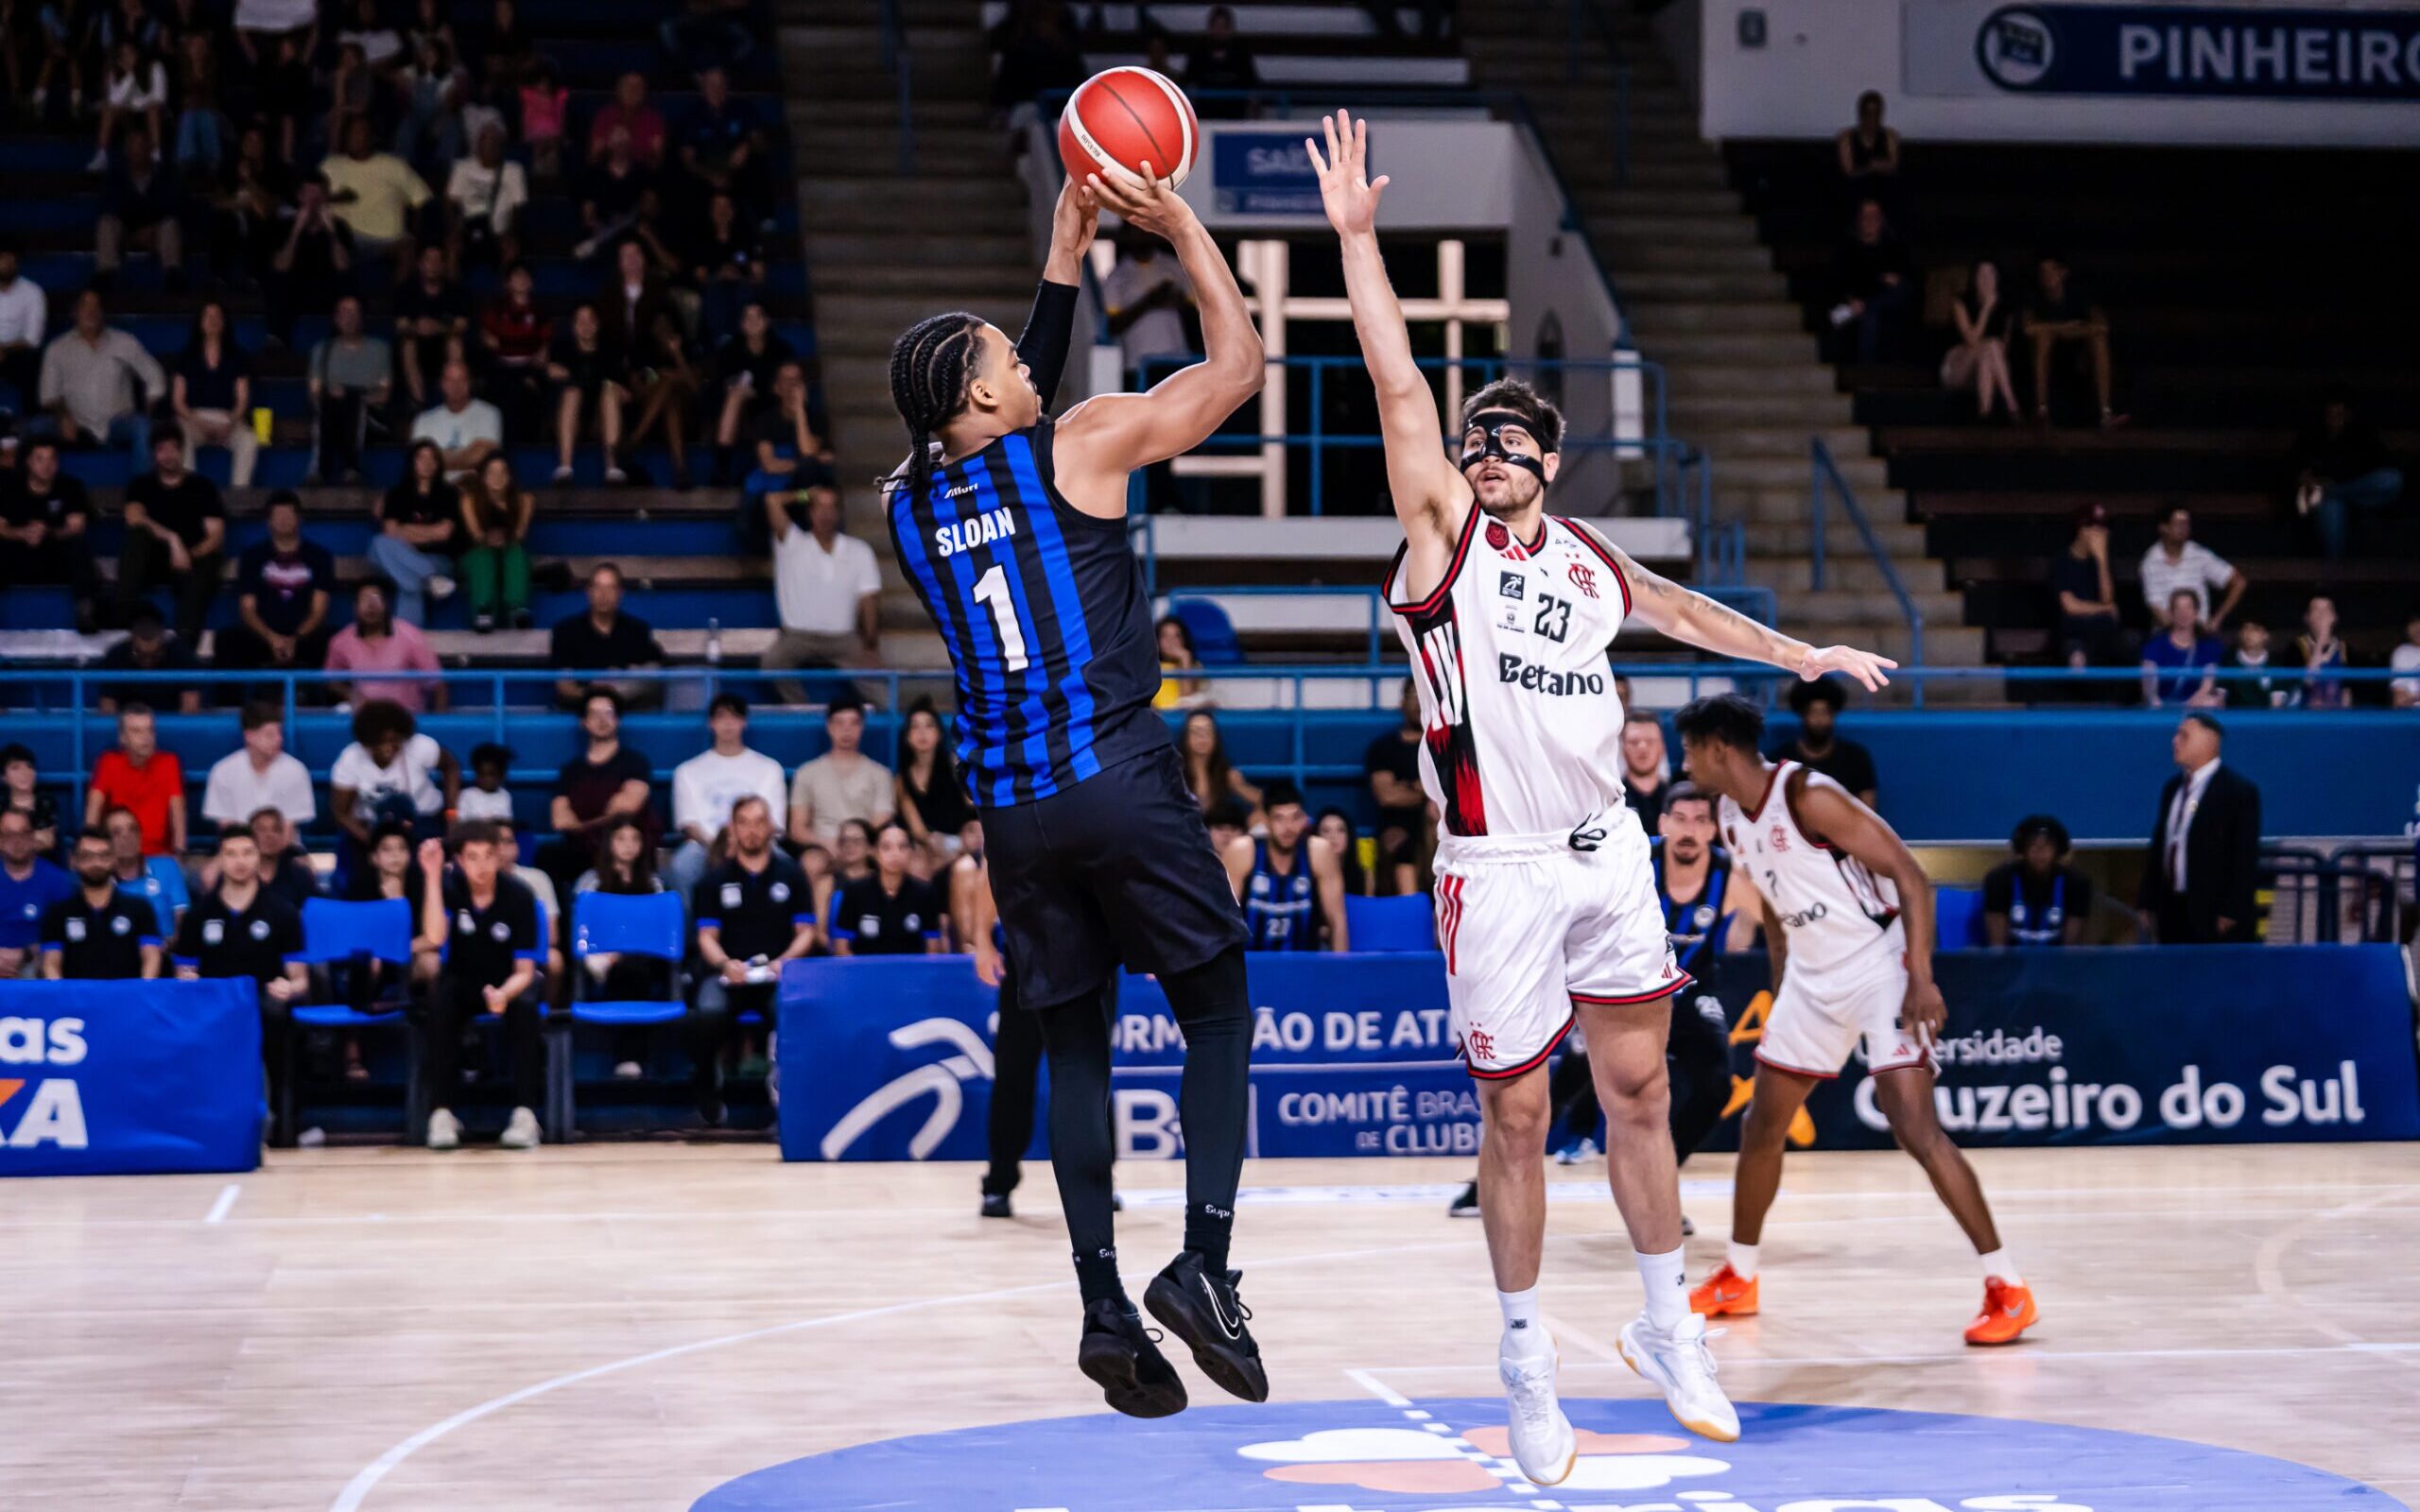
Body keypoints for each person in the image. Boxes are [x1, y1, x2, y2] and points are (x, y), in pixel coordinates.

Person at [1311, 110, 1895, 1459]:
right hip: (1495, 865)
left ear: (1553, 460)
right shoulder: (1441, 542)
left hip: (1605, 854)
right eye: (1479, 438)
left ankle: (1662, 1322)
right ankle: (1525, 1365)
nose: (1489, 449)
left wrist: (1801, 647)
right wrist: (1356, 247)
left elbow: (1685, 609)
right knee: (1515, 1116)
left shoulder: (1585, 562)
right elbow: (1400, 388)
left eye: (1514, 439)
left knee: (1643, 1094)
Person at [883, 167, 1267, 1419]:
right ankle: (1203, 1265)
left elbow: (993, 400)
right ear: (990, 393)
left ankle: (1103, 1303)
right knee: (1215, 1007)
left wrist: (1062, 250)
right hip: (1116, 772)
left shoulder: (907, 504)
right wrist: (1181, 231)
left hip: (1016, 814)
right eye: (1009, 354)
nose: (1030, 357)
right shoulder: (1089, 440)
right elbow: (1238, 368)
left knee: (1077, 1047)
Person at [1677, 694, 2037, 1348]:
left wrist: (1921, 977)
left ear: (1719, 749)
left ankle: (2007, 1286)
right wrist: (1784, 992)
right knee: (1762, 1126)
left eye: (1690, 748)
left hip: (1879, 965)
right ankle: (1740, 1274)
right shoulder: (1731, 819)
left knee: (1914, 1127)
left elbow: (1909, 874)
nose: (1686, 761)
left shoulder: (1810, 795)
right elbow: (1777, 904)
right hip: (1812, 983)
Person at [173, 825, 307, 1142]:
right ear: (220, 859)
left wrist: (290, 987)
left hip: (262, 1001)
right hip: (213, 1003)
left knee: (278, 1020)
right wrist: (189, 982)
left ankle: (278, 1124)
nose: (240, 861)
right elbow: (184, 972)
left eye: (247, 853)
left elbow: (300, 979)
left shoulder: (283, 913)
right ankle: (202, 1121)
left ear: (259, 858)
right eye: (231, 854)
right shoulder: (198, 916)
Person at [414, 825, 544, 1150]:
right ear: (458, 860)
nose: (482, 865)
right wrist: (431, 876)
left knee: (527, 1008)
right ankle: (442, 1113)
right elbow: (434, 938)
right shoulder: (448, 887)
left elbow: (526, 971)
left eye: (488, 856)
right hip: (463, 982)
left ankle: (525, 1114)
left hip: (508, 984)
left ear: (499, 857)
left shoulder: (520, 896)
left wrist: (503, 994)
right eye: (472, 857)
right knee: (440, 1002)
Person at [690, 795, 816, 1121]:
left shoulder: (792, 874)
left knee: (791, 1010)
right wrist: (724, 964)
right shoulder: (714, 881)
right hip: (728, 975)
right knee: (708, 1010)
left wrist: (783, 962)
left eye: (759, 822)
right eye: (744, 822)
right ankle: (708, 1090)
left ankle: (788, 1093)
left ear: (771, 827)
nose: (752, 830)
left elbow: (806, 932)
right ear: (732, 828)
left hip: (776, 975)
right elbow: (707, 937)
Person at [2135, 712, 2260, 945]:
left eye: (2184, 735)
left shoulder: (2238, 792)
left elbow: (2244, 856)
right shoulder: (2172, 788)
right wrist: (2147, 901)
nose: (2175, 741)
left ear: (2209, 741)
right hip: (2172, 911)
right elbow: (2160, 846)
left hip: (2213, 916)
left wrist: (2232, 910)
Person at [764, 484, 882, 696]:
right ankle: (802, 714)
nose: (826, 514)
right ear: (810, 512)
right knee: (771, 663)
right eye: (820, 507)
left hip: (843, 638)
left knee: (879, 683)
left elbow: (869, 600)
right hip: (797, 637)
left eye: (831, 508)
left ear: (839, 513)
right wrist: (805, 494)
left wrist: (870, 645)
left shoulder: (859, 550)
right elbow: (772, 500)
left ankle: (895, 723)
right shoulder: (793, 542)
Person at [536, 688, 656, 895]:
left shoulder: (635, 763)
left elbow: (626, 808)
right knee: (548, 856)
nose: (602, 720)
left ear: (617, 720)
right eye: (594, 714)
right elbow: (560, 819)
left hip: (622, 846)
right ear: (584, 722)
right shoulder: (571, 770)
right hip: (581, 850)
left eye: (608, 713)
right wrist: (604, 816)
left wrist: (581, 824)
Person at [667, 693, 787, 898]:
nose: (728, 724)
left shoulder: (770, 768)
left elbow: (774, 824)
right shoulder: (687, 771)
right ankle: (691, 930)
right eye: (721, 717)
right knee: (682, 865)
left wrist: (744, 844)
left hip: (758, 842)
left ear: (744, 722)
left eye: (734, 717)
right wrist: (720, 847)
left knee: (787, 865)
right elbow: (689, 825)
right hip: (706, 845)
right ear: (711, 723)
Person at [117, 429, 227, 638]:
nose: (168, 455)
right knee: (136, 537)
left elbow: (216, 535)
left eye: (173, 449)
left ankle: (184, 644)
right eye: (161, 450)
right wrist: (172, 539)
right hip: (155, 558)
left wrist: (190, 555)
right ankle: (123, 618)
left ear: (182, 451)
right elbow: (134, 518)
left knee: (205, 567)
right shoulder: (141, 485)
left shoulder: (202, 486)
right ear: (153, 454)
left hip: (193, 559)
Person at [217, 490, 335, 680]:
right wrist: (272, 638)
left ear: (299, 519)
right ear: (268, 521)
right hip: (263, 636)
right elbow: (247, 608)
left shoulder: (320, 557)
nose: (283, 520)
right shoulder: (252, 557)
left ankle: (328, 708)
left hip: (303, 636)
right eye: (277, 516)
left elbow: (319, 610)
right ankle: (230, 707)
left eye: (288, 515)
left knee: (332, 640)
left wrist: (295, 639)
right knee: (227, 640)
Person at [1220, 779, 1347, 952]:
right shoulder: (1242, 851)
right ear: (1265, 821)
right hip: (1252, 965)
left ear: (1304, 818)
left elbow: (1337, 921)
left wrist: (1340, 974)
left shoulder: (1319, 852)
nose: (1288, 827)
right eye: (1279, 818)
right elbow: (1224, 920)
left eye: (1295, 817)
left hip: (1305, 966)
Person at [40, 287, 163, 462]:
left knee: (142, 426)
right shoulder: (57, 349)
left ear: (103, 312)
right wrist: (64, 417)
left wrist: (148, 408)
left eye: (96, 306)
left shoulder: (124, 342)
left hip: (117, 424)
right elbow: (49, 395)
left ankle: (141, 488)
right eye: (85, 306)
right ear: (74, 312)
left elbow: (154, 375)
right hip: (77, 424)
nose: (91, 311)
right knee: (36, 427)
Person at [330, 698, 456, 855]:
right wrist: (374, 842)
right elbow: (341, 813)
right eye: (381, 741)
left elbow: (451, 767)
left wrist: (452, 816)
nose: (389, 746)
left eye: (395, 740)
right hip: (374, 826)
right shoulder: (350, 758)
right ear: (368, 741)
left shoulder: (420, 745)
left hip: (424, 819)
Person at [2290, 387, 2402, 561]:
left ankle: (2333, 492)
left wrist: (2338, 484)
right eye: (2331, 415)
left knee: (2391, 479)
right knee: (2330, 506)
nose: (2335, 420)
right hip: (2325, 499)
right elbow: (2296, 467)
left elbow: (2382, 466)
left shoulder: (2362, 435)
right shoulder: (2312, 436)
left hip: (2359, 494)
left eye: (2340, 415)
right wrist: (2306, 478)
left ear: (2348, 415)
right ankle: (2334, 571)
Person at [39, 825, 163, 979]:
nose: (96, 863)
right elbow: (51, 963)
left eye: (104, 856)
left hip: (127, 1000)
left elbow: (151, 958)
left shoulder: (139, 908)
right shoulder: (58, 913)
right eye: (87, 856)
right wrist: (64, 999)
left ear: (114, 859)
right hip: (76, 1001)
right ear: (74, 861)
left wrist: (141, 995)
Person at [1, 438, 101, 627]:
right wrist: (22, 533)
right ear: (29, 462)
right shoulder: (10, 487)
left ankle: (86, 610)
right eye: (40, 459)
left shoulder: (71, 486)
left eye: (52, 460)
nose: (47, 466)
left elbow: (77, 526)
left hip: (55, 557)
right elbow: (1, 526)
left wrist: (48, 532)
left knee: (78, 545)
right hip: (20, 556)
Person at [2024, 251, 2123, 428]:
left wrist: (2068, 331)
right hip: (2049, 355)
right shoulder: (2034, 297)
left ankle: (2106, 413)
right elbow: (2029, 328)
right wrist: (2065, 328)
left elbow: (2101, 326)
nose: (2048, 276)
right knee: (2043, 339)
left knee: (2099, 341)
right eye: (2043, 272)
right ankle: (2041, 411)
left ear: (2063, 273)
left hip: (2079, 355)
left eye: (2052, 271)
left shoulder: (2079, 294)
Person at [323, 115, 430, 275]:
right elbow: (313, 198)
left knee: (407, 249)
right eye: (350, 132)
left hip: (388, 241)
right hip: (344, 238)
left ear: (371, 137)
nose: (354, 137)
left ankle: (400, 299)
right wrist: (336, 198)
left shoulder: (394, 165)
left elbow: (421, 200)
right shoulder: (331, 165)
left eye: (359, 132)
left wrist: (414, 234)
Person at [786, 693, 892, 850]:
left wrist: (854, 846)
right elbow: (797, 829)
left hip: (864, 850)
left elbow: (880, 821)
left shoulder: (880, 774)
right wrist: (827, 844)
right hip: (822, 848)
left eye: (853, 723)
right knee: (812, 864)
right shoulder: (807, 772)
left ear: (862, 727)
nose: (846, 730)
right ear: (829, 727)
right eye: (839, 723)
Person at [549, 562, 665, 707]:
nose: (603, 594)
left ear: (620, 593)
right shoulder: (565, 630)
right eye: (598, 587)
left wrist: (615, 686)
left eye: (610, 588)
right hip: (582, 705)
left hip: (625, 705)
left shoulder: (637, 630)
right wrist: (594, 695)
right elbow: (564, 684)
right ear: (588, 591)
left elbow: (653, 672)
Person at [372, 440, 461, 624]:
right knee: (378, 543)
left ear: (438, 464)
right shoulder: (396, 494)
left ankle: (406, 648)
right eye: (421, 457)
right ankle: (429, 578)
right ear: (412, 462)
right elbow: (390, 532)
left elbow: (443, 533)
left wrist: (405, 530)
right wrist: (428, 533)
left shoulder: (449, 494)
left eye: (432, 458)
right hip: (406, 561)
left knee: (409, 584)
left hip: (438, 560)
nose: (427, 463)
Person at [325, 577, 445, 713]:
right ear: (355, 607)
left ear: (387, 605)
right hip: (365, 716)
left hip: (405, 717)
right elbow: (332, 681)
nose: (371, 606)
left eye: (376, 599)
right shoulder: (341, 641)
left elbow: (437, 684)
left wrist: (441, 724)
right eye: (364, 600)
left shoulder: (411, 635)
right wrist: (353, 695)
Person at [172, 300, 258, 487]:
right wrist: (197, 421)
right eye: (208, 316)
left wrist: (231, 421)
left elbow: (242, 399)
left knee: (249, 440)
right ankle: (191, 492)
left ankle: (239, 494)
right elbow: (178, 401)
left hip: (227, 418)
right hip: (194, 418)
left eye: (217, 316)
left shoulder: (238, 356)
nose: (212, 320)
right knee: (180, 434)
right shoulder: (186, 356)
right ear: (200, 322)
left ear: (225, 322)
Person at [306, 294, 390, 485]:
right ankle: (318, 470)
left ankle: (352, 467)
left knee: (353, 402)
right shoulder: (322, 349)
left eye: (354, 311)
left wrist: (353, 396)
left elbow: (384, 395)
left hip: (369, 418)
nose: (349, 317)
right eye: (344, 311)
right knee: (328, 405)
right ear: (335, 318)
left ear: (362, 317)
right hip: (330, 415)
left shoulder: (379, 349)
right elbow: (315, 393)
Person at [268, 174, 356, 352]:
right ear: (300, 196)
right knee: (277, 281)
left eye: (319, 194)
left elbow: (344, 266)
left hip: (327, 291)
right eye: (309, 194)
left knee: (348, 284)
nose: (313, 200)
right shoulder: (284, 226)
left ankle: (339, 342)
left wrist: (331, 232)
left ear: (326, 197)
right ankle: (278, 340)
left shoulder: (340, 227)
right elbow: (280, 266)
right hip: (295, 290)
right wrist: (296, 230)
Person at [830, 821, 945, 955]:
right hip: (865, 973)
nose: (895, 853)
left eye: (902, 847)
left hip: (911, 973)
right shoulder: (854, 891)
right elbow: (842, 947)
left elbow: (932, 948)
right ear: (875, 852)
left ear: (911, 852)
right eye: (886, 847)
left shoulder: (925, 892)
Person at [95, 127, 187, 289]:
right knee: (107, 223)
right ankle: (106, 274)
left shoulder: (165, 174)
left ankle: (173, 275)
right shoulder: (116, 174)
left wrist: (149, 228)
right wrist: (134, 233)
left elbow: (172, 205)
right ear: (126, 150)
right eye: (133, 145)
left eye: (141, 144)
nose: (137, 150)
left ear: (150, 148)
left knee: (170, 224)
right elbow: (110, 205)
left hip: (155, 230)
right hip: (125, 230)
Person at [85, 705, 184, 856]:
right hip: (116, 855)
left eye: (150, 730)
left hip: (159, 855)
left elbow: (178, 813)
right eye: (136, 731)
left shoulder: (169, 763)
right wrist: (89, 849)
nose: (146, 737)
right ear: (123, 738)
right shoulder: (108, 762)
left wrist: (179, 854)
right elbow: (93, 812)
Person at [545, 301, 626, 484]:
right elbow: (550, 379)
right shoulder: (561, 350)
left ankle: (612, 467)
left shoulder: (609, 351)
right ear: (573, 326)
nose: (586, 326)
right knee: (573, 392)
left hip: (601, 421)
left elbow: (622, 389)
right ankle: (565, 467)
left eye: (590, 320)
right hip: (569, 422)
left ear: (597, 324)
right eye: (580, 321)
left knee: (609, 391)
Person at [1982, 814, 2090, 948]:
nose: (2040, 852)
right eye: (2033, 845)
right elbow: (1997, 948)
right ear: (2022, 849)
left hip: (2056, 964)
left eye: (2047, 846)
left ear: (2058, 851)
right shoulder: (1999, 880)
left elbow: (2070, 951)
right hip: (2011, 964)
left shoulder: (2076, 884)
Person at [201, 702, 314, 831]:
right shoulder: (223, 771)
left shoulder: (296, 770)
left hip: (284, 848)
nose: (279, 739)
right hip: (240, 847)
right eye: (270, 735)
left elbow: (289, 827)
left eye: (279, 733)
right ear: (249, 736)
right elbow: (226, 827)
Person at [894, 697, 976, 871]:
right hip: (924, 848)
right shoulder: (902, 780)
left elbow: (973, 807)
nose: (922, 733)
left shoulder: (955, 766)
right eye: (915, 727)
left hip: (959, 845)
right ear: (907, 736)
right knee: (918, 863)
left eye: (929, 726)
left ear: (939, 734)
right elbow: (918, 831)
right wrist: (932, 844)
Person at [1826, 198, 1910, 364]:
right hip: (1855, 303)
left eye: (1875, 216)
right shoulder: (1847, 249)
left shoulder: (1892, 247)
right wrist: (1851, 300)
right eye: (1866, 216)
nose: (1871, 221)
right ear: (1858, 219)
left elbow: (1900, 282)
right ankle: (1867, 373)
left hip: (1884, 303)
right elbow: (1841, 281)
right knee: (1869, 318)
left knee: (1897, 293)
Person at [2138, 502, 2245, 631]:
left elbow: (2238, 582)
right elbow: (2155, 607)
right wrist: (2182, 634)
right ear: (2164, 527)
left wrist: (2217, 619)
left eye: (2186, 523)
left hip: (2202, 632)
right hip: (2167, 637)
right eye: (2178, 524)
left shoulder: (2200, 555)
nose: (2184, 528)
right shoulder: (2150, 562)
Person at [460, 452, 536, 633]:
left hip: (508, 551)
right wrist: (488, 539)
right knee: (483, 556)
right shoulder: (469, 500)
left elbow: (520, 533)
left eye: (503, 472)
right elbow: (476, 534)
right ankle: (483, 611)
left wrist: (505, 539)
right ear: (483, 477)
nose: (497, 477)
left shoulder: (524, 499)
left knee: (516, 553)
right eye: (492, 472)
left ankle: (516, 609)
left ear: (510, 477)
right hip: (476, 555)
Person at [393, 243, 471, 416]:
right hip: (418, 347)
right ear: (420, 264)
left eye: (437, 260)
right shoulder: (407, 290)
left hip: (442, 348)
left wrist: (438, 328)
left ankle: (454, 399)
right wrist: (417, 328)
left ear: (443, 265)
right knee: (408, 344)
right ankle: (418, 402)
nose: (433, 265)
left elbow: (461, 325)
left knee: (454, 342)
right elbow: (401, 326)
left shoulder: (455, 291)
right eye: (428, 260)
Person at [1776, 678, 1878, 806]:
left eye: (1825, 713)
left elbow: (1869, 808)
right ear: (1803, 715)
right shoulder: (1783, 759)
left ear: (1833, 715)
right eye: (1813, 713)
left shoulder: (1856, 757)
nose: (1819, 720)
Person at [2049, 502, 2127, 671]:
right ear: (2081, 530)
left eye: (2103, 529)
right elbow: (2070, 606)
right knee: (2073, 640)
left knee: (2124, 640)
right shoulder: (2062, 560)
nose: (2101, 534)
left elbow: (2107, 598)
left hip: (2101, 631)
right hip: (2073, 630)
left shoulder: (2104, 562)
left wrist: (2101, 559)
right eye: (2094, 529)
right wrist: (2104, 609)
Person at [0, 808, 76, 979]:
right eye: (9, 835)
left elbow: (67, 936)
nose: (17, 841)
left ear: (33, 837)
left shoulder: (56, 880)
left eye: (23, 833)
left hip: (36, 966)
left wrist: (26, 954)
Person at [1941, 258, 2016, 421]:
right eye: (1982, 275)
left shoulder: (2006, 309)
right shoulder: (1961, 302)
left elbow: (2003, 351)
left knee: (1990, 351)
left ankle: (1985, 415)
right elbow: (1971, 340)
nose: (1986, 280)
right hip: (1958, 367)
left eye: (1991, 275)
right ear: (1974, 279)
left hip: (1987, 366)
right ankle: (2012, 407)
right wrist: (1986, 309)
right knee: (1988, 345)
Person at [445, 120, 527, 270]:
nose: (488, 146)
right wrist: (454, 230)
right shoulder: (462, 167)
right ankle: (452, 292)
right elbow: (450, 202)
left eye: (493, 142)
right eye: (484, 141)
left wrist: (510, 233)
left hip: (498, 232)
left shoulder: (514, 171)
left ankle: (505, 291)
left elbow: (519, 207)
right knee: (452, 247)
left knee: (510, 249)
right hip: (468, 228)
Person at [1363, 678, 1427, 859]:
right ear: (1402, 703)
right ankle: (1410, 890)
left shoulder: (1447, 746)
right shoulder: (1384, 748)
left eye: (1424, 695)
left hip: (1439, 821)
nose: (1419, 703)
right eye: (1414, 695)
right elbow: (1388, 797)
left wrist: (1408, 788)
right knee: (1398, 843)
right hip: (1398, 823)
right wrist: (1424, 791)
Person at [411, 358, 502, 481]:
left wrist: (438, 457)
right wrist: (467, 455)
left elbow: (483, 456)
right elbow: (419, 463)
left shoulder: (489, 414)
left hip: (475, 491)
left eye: (461, 380)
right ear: (442, 384)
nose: (456, 386)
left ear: (469, 383)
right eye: (450, 380)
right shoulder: (423, 420)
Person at [95, 608, 202, 713]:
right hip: (130, 725)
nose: (147, 660)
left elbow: (190, 711)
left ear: (163, 639)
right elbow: (107, 711)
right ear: (132, 639)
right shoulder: (116, 656)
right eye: (140, 655)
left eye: (154, 655)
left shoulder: (182, 655)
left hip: (173, 724)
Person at [2141, 589, 2223, 709]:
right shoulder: (2155, 645)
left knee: (2212, 702)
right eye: (2178, 608)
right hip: (2161, 707)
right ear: (2171, 613)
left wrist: (2187, 705)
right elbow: (2149, 691)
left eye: (2188, 607)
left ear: (2196, 612)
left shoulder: (2208, 646)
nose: (2183, 613)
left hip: (2194, 705)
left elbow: (2206, 686)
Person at [1179, 708, 1260, 818]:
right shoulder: (1173, 772)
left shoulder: (1227, 774)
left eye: (1207, 731)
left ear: (1215, 738)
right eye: (1195, 731)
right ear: (1186, 738)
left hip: (1217, 830)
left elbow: (1262, 800)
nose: (1202, 737)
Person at [0, 239, 46, 416]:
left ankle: (31, 424)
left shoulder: (32, 292)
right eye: (2, 257)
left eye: (11, 258)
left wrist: (4, 349)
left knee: (33, 363)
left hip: (16, 352)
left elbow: (33, 339)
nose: (6, 263)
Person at [247, 805, 322, 913]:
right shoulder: (239, 873)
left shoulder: (299, 875)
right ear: (250, 836)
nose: (269, 835)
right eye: (262, 829)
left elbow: (317, 911)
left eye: (276, 829)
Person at [1834, 90, 1901, 206]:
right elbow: (1848, 171)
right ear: (1861, 114)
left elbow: (1893, 165)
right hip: (1855, 192)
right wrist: (1871, 167)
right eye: (1868, 113)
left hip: (1882, 192)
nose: (1872, 118)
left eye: (1876, 113)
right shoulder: (1846, 137)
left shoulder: (1890, 136)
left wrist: (1881, 167)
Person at [2, 747, 61, 855]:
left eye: (29, 767)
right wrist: (34, 838)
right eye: (15, 768)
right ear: (3, 777)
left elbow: (48, 841)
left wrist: (10, 840)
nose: (24, 773)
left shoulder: (46, 801)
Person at [2296, 594, 2351, 712]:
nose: (2321, 615)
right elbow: (2308, 681)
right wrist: (2322, 638)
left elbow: (2347, 691)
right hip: (2306, 718)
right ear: (2307, 617)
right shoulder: (2295, 648)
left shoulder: (2344, 649)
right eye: (2316, 610)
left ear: (2334, 617)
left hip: (2336, 718)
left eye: (2326, 610)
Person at [1619, 711, 1671, 831]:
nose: (1642, 748)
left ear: (1662, 748)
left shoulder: (1677, 802)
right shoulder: (1611, 800)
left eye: (1650, 741)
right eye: (1634, 742)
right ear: (1623, 750)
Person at [2222, 618, 2290, 710]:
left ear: (2266, 635)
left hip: (2265, 721)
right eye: (2245, 628)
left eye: (2255, 629)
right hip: (2234, 721)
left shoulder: (2275, 665)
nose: (2248, 633)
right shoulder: (2228, 663)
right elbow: (2220, 700)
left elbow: (2276, 706)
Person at [1313, 808, 1373, 896]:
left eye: (1341, 830)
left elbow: (1367, 907)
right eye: (1326, 831)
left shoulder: (1364, 875)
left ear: (1349, 836)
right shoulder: (1308, 875)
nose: (1333, 837)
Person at [1152, 614, 1205, 711]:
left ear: (1184, 640)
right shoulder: (1149, 667)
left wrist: (1185, 659)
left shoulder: (1195, 666)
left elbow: (1188, 699)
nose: (1170, 641)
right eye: (1165, 636)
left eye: (1176, 636)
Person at [458, 744, 516, 823]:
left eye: (491, 774)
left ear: (501, 775)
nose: (486, 779)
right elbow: (461, 821)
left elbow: (506, 821)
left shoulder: (505, 795)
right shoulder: (467, 795)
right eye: (482, 774)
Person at [2390, 611, 2420, 711]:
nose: (2417, 628)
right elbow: (2399, 701)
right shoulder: (2402, 653)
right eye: (2413, 623)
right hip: (2411, 717)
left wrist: (2413, 697)